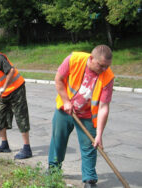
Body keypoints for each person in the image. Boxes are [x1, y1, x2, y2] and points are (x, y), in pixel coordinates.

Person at [48, 45, 114, 188]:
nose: (104, 69)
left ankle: (89, 180)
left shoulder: (108, 77)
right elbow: (58, 79)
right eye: (101, 65)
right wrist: (66, 101)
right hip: (64, 110)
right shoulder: (74, 60)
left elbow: (103, 107)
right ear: (91, 58)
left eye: (107, 66)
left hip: (87, 115)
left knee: (90, 146)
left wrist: (99, 134)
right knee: (57, 141)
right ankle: (53, 169)